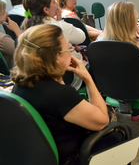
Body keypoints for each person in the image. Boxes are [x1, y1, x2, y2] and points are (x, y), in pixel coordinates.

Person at [11, 24, 129, 165]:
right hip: (73, 158)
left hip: (41, 156)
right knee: (122, 131)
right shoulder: (61, 94)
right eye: (69, 48)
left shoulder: (20, 85)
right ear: (57, 57)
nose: (72, 52)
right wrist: (88, 79)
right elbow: (102, 121)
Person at [21, 0, 86, 90]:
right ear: (46, 10)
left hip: (41, 81)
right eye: (53, 2)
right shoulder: (58, 26)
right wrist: (61, 22)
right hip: (68, 77)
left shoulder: (27, 27)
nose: (57, 4)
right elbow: (82, 37)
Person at [0, 0, 21, 69]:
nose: (7, 14)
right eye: (4, 11)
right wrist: (17, 30)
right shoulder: (2, 39)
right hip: (14, 73)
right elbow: (25, 50)